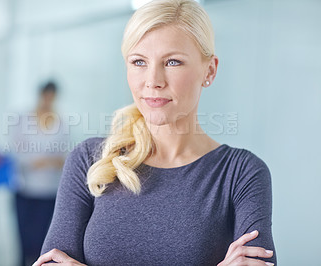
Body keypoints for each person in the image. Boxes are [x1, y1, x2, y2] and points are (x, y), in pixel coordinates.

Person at [33, 0, 277, 265]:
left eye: (172, 62)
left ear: (210, 70)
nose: (153, 81)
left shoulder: (241, 174)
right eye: (139, 61)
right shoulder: (90, 160)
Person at [9, 81, 70, 266]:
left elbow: (66, 157)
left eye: (52, 97)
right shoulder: (23, 120)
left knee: (42, 242)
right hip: (25, 189)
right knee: (23, 241)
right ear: (40, 95)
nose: (48, 100)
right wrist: (34, 162)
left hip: (49, 192)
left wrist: (50, 162)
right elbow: (14, 152)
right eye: (46, 95)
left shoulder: (61, 124)